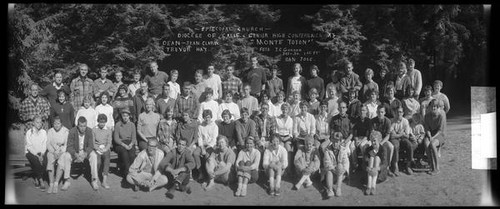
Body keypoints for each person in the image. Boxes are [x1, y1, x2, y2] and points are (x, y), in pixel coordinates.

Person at [61, 116, 96, 191]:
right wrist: (76, 155)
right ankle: (66, 180)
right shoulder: (72, 131)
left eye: (84, 126)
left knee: (94, 155)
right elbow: (69, 147)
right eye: (81, 126)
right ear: (77, 125)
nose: (83, 128)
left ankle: (94, 180)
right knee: (67, 156)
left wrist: (85, 154)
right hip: (75, 151)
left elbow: (91, 146)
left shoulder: (89, 131)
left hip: (85, 151)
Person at [46, 117, 69, 194]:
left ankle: (56, 183)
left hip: (61, 151)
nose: (56, 125)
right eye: (55, 123)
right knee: (50, 158)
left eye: (58, 123)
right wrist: (53, 152)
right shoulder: (50, 131)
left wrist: (60, 152)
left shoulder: (65, 131)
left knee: (62, 160)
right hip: (52, 151)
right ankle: (51, 184)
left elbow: (66, 145)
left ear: (61, 124)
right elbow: (48, 143)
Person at [329, 101, 355, 172]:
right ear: (338, 109)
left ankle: (345, 170)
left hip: (346, 140)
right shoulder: (334, 118)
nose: (342, 109)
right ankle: (333, 168)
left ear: (346, 109)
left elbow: (351, 134)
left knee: (346, 151)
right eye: (340, 108)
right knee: (329, 149)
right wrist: (335, 138)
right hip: (336, 139)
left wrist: (345, 142)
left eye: (343, 107)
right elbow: (331, 130)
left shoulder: (350, 119)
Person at [193, 109, 218, 181]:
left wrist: (207, 148)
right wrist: (202, 147)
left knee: (207, 155)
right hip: (202, 145)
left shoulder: (214, 126)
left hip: (211, 145)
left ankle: (209, 174)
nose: (207, 119)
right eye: (205, 117)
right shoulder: (201, 126)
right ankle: (200, 172)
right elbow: (199, 137)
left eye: (208, 117)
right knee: (195, 153)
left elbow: (214, 140)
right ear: (203, 118)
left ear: (211, 117)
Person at [323, 132, 350, 197]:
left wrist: (343, 170)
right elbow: (327, 162)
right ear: (331, 140)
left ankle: (338, 188)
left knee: (340, 166)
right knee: (329, 171)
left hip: (340, 173)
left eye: (337, 142)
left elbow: (346, 162)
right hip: (332, 171)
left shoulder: (343, 150)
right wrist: (334, 170)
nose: (335, 144)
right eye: (334, 141)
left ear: (340, 142)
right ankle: (330, 190)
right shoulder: (327, 150)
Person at [370, 105, 394, 177]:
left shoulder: (388, 121)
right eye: (379, 112)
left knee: (391, 147)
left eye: (382, 112)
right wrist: (376, 143)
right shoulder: (373, 121)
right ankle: (371, 167)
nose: (380, 113)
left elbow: (388, 135)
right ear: (376, 112)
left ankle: (387, 167)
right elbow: (372, 134)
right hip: (374, 140)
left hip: (384, 140)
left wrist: (381, 143)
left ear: (384, 113)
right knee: (368, 146)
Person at [24, 116, 48, 191]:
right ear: (33, 123)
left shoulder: (44, 132)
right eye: (37, 122)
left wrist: (42, 154)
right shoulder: (29, 132)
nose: (39, 124)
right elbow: (29, 146)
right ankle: (40, 180)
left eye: (40, 122)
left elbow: (45, 144)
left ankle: (36, 178)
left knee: (45, 162)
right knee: (36, 162)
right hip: (30, 152)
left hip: (41, 152)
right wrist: (37, 155)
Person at [424, 99, 446, 175]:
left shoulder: (441, 116)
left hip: (439, 135)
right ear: (429, 107)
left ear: (437, 107)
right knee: (426, 143)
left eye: (435, 107)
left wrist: (433, 138)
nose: (433, 108)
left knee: (432, 144)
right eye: (432, 106)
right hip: (431, 134)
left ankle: (437, 167)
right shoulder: (427, 116)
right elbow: (427, 128)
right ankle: (431, 164)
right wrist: (429, 135)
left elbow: (440, 130)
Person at [90, 114, 113, 189]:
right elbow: (93, 142)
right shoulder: (94, 129)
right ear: (98, 121)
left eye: (103, 122)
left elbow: (109, 142)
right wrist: (97, 149)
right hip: (96, 149)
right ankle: (94, 179)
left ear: (105, 122)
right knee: (98, 161)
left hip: (105, 148)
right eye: (100, 122)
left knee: (107, 159)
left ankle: (104, 181)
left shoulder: (108, 130)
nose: (102, 124)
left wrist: (105, 149)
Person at [114, 109, 137, 179]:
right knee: (124, 153)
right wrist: (124, 145)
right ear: (121, 116)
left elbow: (134, 138)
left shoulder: (132, 125)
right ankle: (128, 173)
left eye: (127, 116)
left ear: (129, 116)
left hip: (129, 142)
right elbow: (116, 138)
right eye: (124, 116)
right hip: (120, 144)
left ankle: (131, 172)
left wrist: (131, 144)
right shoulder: (118, 124)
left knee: (132, 154)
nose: (125, 117)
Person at [364, 130, 388, 195]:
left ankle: (373, 186)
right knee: (371, 158)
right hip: (370, 171)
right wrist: (367, 168)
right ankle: (369, 186)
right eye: (372, 141)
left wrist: (377, 168)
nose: (373, 142)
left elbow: (385, 164)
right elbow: (364, 163)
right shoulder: (368, 149)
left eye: (375, 140)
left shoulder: (383, 149)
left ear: (379, 140)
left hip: (379, 173)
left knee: (377, 158)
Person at [388, 106, 411, 176]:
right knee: (395, 146)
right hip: (395, 139)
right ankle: (395, 166)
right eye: (397, 112)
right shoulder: (392, 121)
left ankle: (408, 165)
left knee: (409, 145)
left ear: (403, 113)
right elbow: (391, 135)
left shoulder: (405, 121)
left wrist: (398, 135)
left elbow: (407, 135)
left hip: (403, 139)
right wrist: (401, 133)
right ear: (395, 113)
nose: (399, 113)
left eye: (400, 112)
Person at [351, 104, 372, 169]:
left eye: (363, 110)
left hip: (365, 139)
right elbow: (355, 131)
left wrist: (361, 141)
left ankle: (364, 164)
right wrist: (356, 140)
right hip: (357, 138)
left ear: (366, 111)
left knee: (362, 146)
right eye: (360, 110)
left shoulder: (369, 121)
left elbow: (368, 134)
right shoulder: (356, 120)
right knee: (351, 146)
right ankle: (355, 164)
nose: (362, 112)